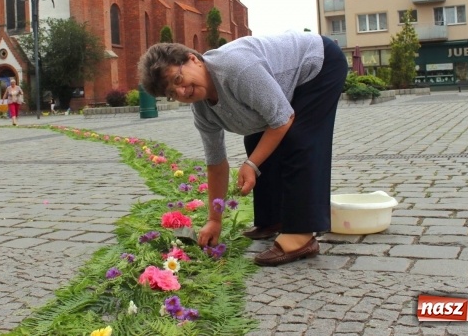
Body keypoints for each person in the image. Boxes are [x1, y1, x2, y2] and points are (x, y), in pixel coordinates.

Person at [138, 31, 347, 267]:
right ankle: (273, 219)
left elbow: (282, 118)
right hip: (287, 88)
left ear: (192, 59)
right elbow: (216, 163)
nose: (182, 92)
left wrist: (251, 164)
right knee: (256, 142)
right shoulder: (202, 111)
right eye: (171, 93)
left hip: (317, 64)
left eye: (178, 80)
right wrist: (214, 220)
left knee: (299, 140)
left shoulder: (236, 69)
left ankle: (301, 235)